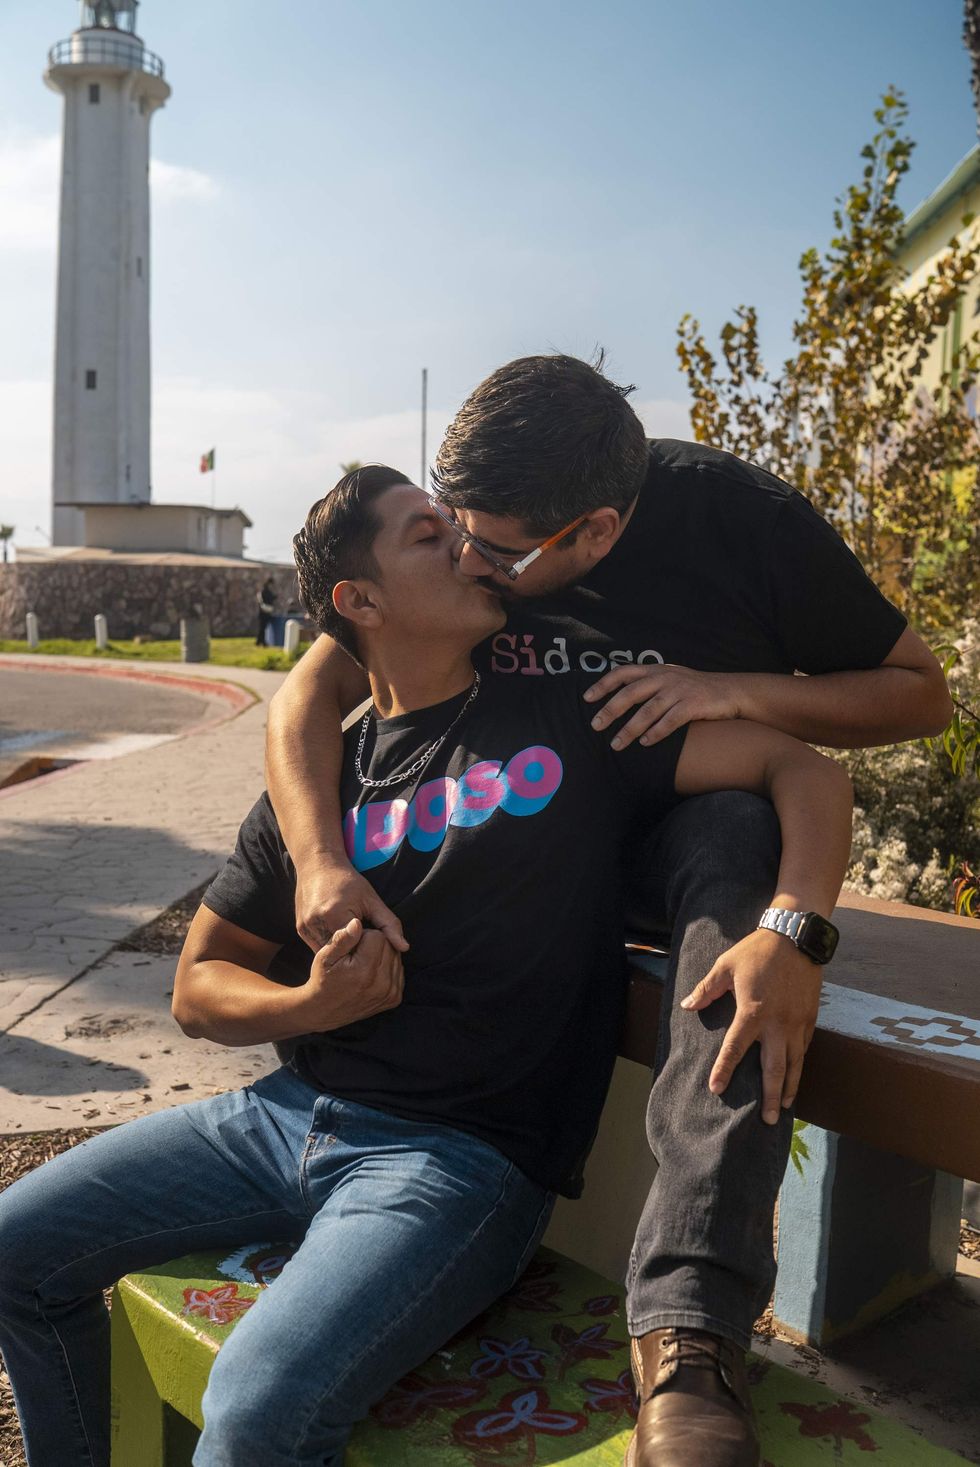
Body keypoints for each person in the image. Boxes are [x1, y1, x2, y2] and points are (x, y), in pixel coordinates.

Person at [0, 468, 855, 1467]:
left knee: (255, 1408)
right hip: (274, 1120)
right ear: (358, 604)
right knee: (15, 1253)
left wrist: (787, 930)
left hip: (452, 1163)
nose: (463, 544)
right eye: (423, 536)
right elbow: (198, 985)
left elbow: (798, 771)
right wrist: (308, 1004)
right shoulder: (326, 784)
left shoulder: (567, 713)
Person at [263, 359, 953, 1467]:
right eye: (452, 531)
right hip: (531, 835)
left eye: (494, 550)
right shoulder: (474, 543)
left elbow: (918, 692)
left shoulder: (741, 522)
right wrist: (312, 863)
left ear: (591, 531)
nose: (467, 562)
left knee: (733, 842)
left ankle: (686, 1328)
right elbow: (311, 692)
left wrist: (740, 701)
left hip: (684, 831)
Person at [255, 575, 278, 646]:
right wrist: (274, 597)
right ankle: (262, 642)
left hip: (264, 612)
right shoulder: (265, 591)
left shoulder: (264, 590)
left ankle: (259, 641)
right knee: (263, 628)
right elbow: (268, 599)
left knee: (262, 628)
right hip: (264, 612)